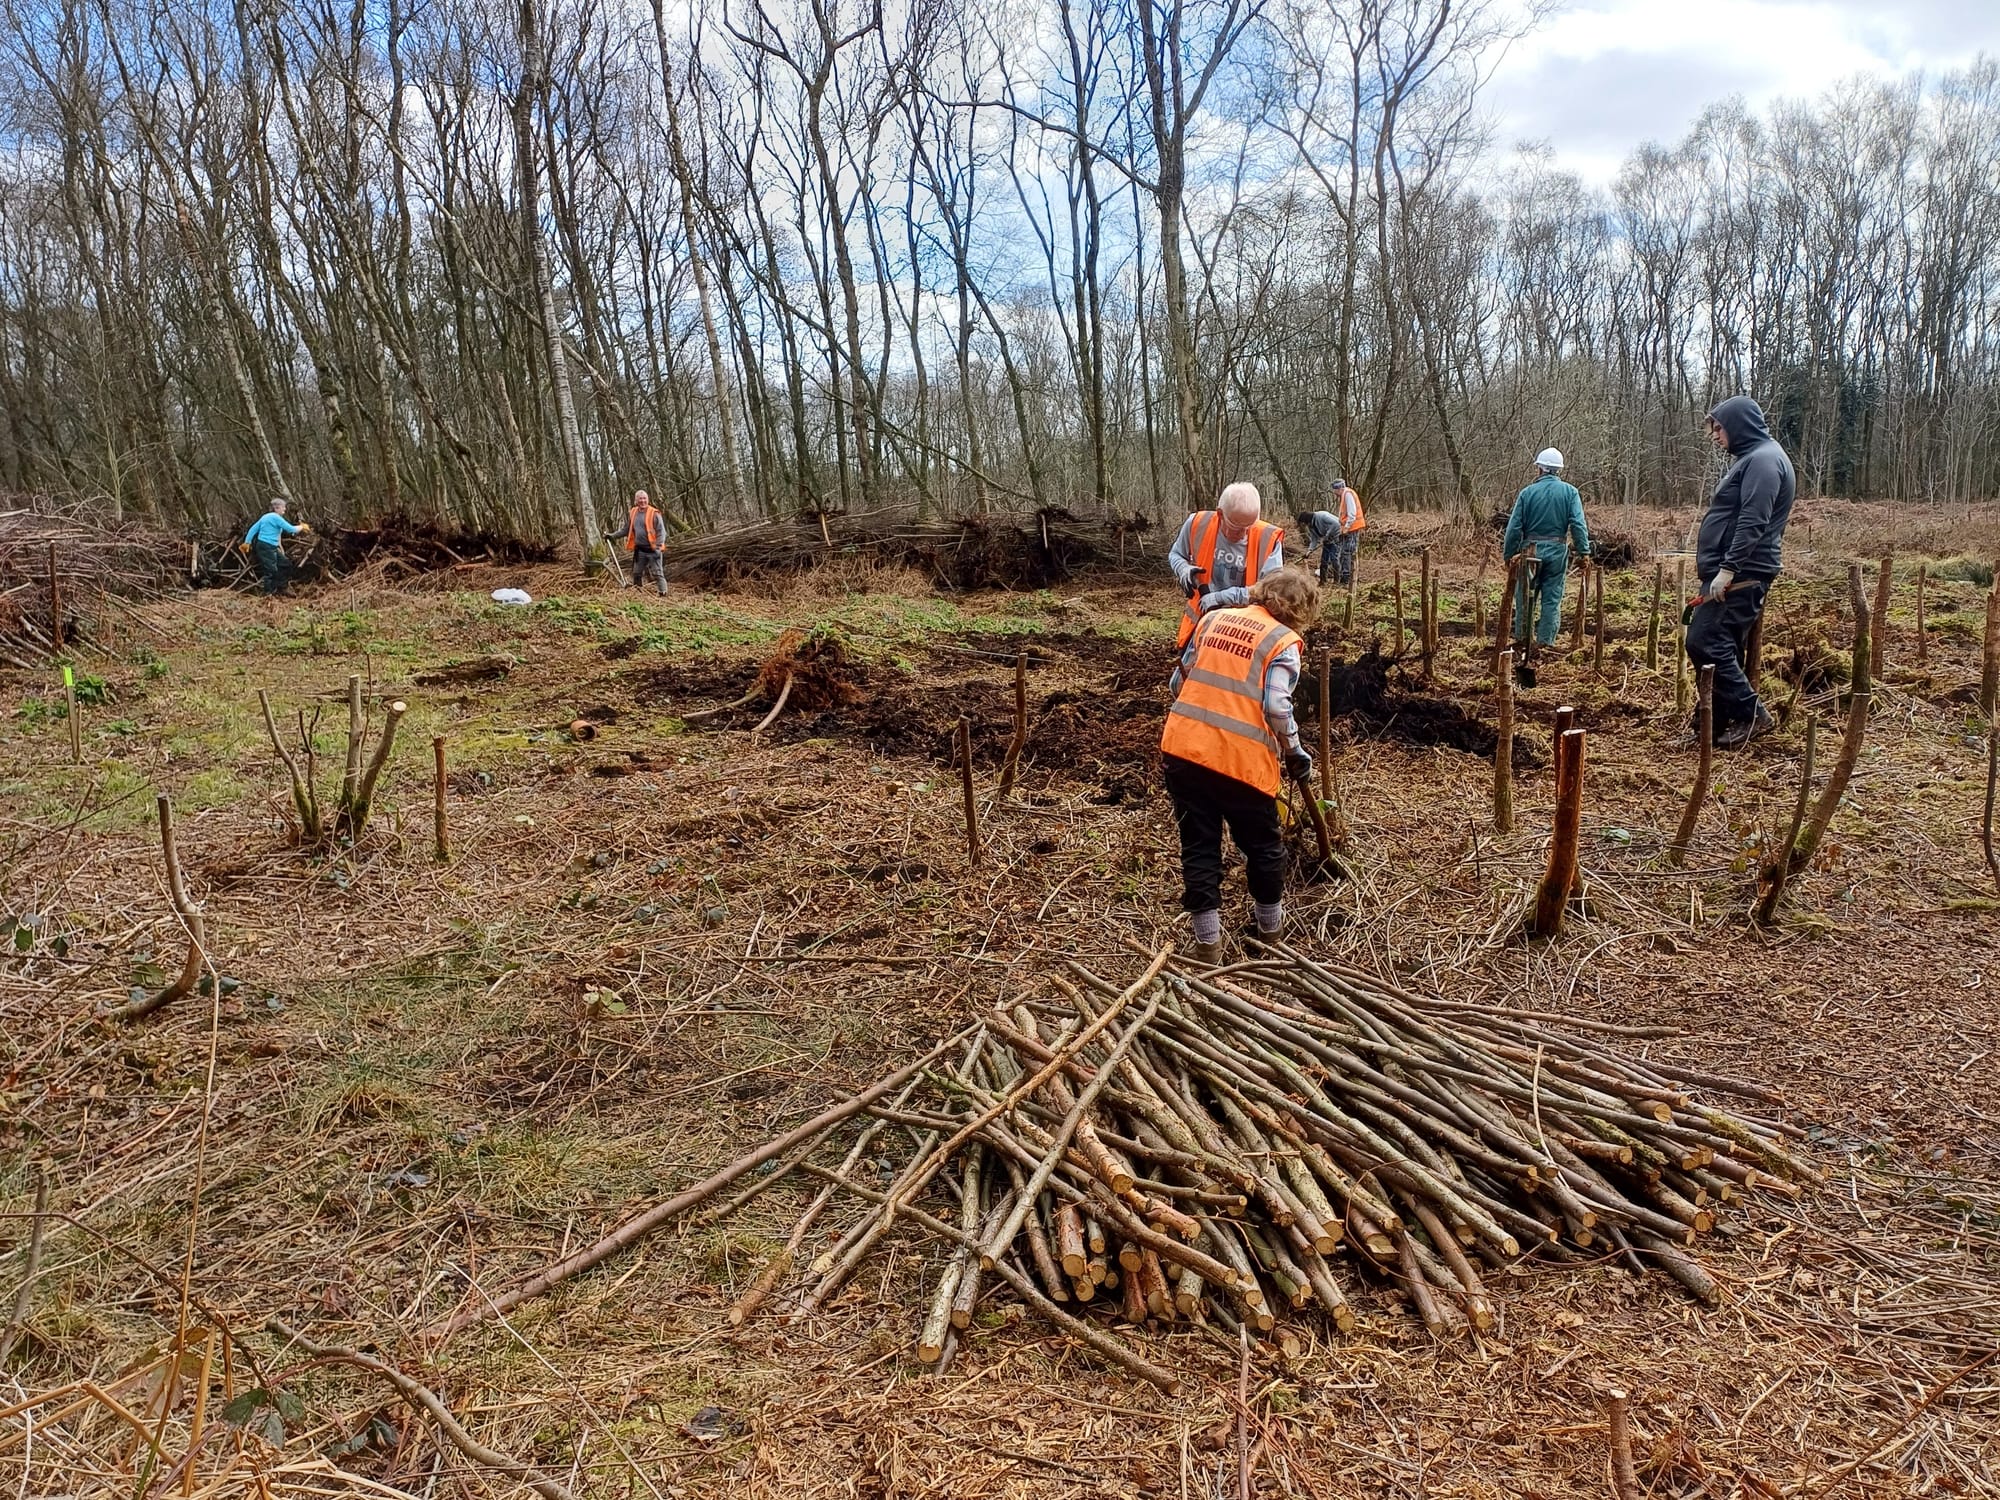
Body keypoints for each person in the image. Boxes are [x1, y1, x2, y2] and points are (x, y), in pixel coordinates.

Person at [1160, 566, 1321, 963]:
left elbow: (1178, 683)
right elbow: (1277, 707)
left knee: (1199, 846)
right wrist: (1297, 753)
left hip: (1184, 750)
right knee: (1264, 847)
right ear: (1302, 611)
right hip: (1241, 764)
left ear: (1261, 591)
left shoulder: (1214, 619)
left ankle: (1207, 945)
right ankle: (1270, 934)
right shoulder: (1283, 642)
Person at [1689, 395, 1795, 749]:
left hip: (1743, 571)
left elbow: (1753, 519)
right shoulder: (1755, 458)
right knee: (1721, 646)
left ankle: (1752, 715)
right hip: (1736, 570)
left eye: (1720, 428)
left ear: (1738, 425)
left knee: (1704, 641)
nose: (1717, 436)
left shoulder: (1764, 461)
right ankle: (1711, 726)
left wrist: (1728, 568)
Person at [1167, 481, 1285, 649]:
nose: (1243, 534)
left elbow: (1269, 590)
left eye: (1249, 527)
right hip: (1201, 624)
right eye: (1236, 528)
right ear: (1220, 514)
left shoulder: (1268, 539)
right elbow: (1176, 554)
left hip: (1244, 629)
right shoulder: (1198, 523)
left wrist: (1221, 597)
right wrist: (1183, 569)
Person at [1502, 448, 1590, 649]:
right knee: (1551, 599)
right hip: (1557, 551)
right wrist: (1583, 551)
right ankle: (1545, 645)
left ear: (1540, 469)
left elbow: (1514, 527)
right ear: (1558, 470)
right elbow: (1578, 524)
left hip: (1529, 551)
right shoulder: (1570, 492)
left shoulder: (1527, 493)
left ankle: (1523, 642)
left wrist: (1509, 555)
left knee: (1524, 597)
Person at [1294, 477, 1364, 586]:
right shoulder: (1311, 526)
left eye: (1334, 490)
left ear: (1338, 488)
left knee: (1340, 557)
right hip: (1334, 537)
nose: (1333, 492)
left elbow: (1337, 523)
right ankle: (1324, 581)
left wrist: (1339, 530)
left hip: (1340, 535)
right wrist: (1309, 551)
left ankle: (1343, 580)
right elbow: (1314, 539)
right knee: (1324, 561)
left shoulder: (1323, 515)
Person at [238, 498, 310, 596]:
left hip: (271, 546)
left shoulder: (265, 517)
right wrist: (302, 527)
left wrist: (247, 542)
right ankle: (268, 594)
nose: (285, 508)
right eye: (283, 507)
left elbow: (253, 529)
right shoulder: (275, 517)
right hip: (265, 546)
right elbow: (290, 529)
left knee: (286, 564)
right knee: (270, 570)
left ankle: (282, 587)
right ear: (276, 508)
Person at [607, 490, 669, 595]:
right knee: (636, 573)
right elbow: (626, 529)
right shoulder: (633, 512)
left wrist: (658, 547)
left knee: (658, 574)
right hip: (640, 550)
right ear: (636, 500)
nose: (642, 501)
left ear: (648, 499)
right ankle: (638, 593)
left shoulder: (654, 513)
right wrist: (612, 535)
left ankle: (663, 593)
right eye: (640, 498)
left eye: (644, 498)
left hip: (653, 550)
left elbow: (662, 532)